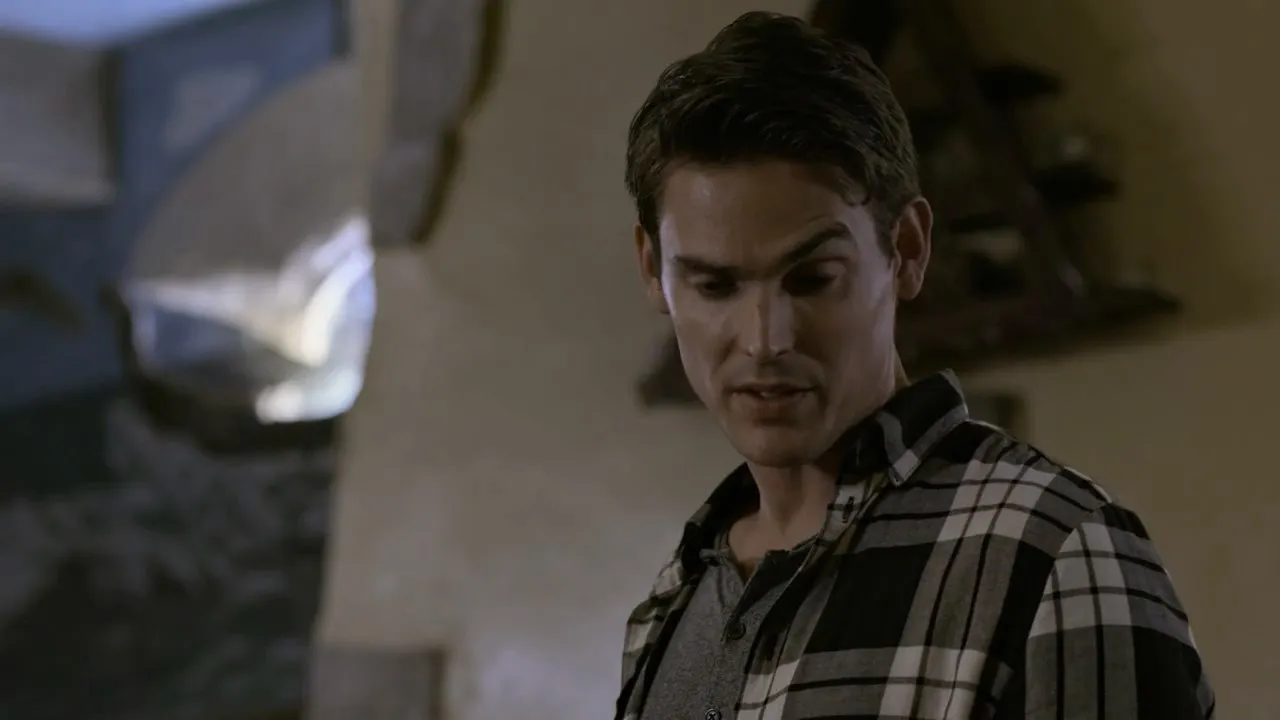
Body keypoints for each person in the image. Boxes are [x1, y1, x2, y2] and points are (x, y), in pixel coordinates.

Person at [616, 11, 1214, 720]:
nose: (764, 339)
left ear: (906, 250)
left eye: (812, 279)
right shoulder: (673, 601)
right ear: (653, 271)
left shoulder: (1057, 551)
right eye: (715, 286)